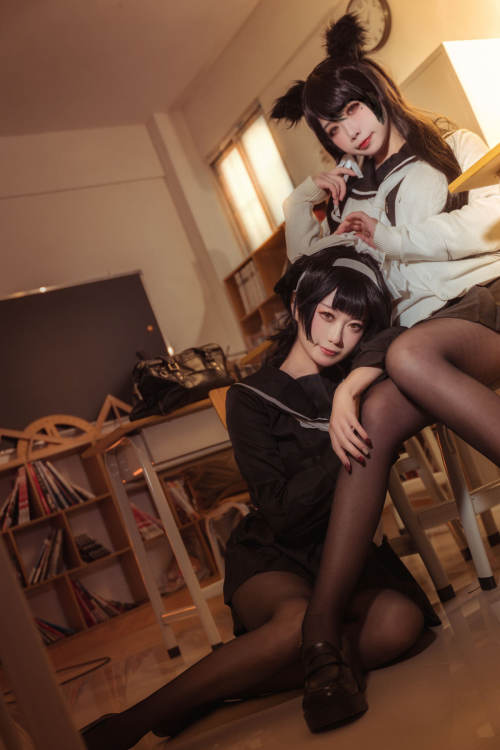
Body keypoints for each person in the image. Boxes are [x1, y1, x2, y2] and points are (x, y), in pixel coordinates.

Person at [81, 246, 439, 750]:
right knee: (295, 624)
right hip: (276, 552)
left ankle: (225, 687)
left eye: (354, 325)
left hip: (347, 549)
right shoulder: (250, 398)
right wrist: (349, 443)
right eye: (327, 315)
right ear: (297, 307)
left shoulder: (355, 379)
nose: (337, 337)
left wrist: (348, 392)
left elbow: (407, 333)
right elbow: (282, 513)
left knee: (399, 625)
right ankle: (133, 721)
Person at [271, 11, 500, 732]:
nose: (348, 133)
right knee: (371, 415)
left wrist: (392, 239)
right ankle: (321, 638)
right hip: (422, 337)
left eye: (351, 112)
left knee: (405, 355)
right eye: (331, 128)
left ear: (374, 91)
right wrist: (307, 207)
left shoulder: (452, 143)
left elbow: (490, 221)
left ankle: (320, 633)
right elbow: (321, 283)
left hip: (488, 303)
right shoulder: (353, 194)